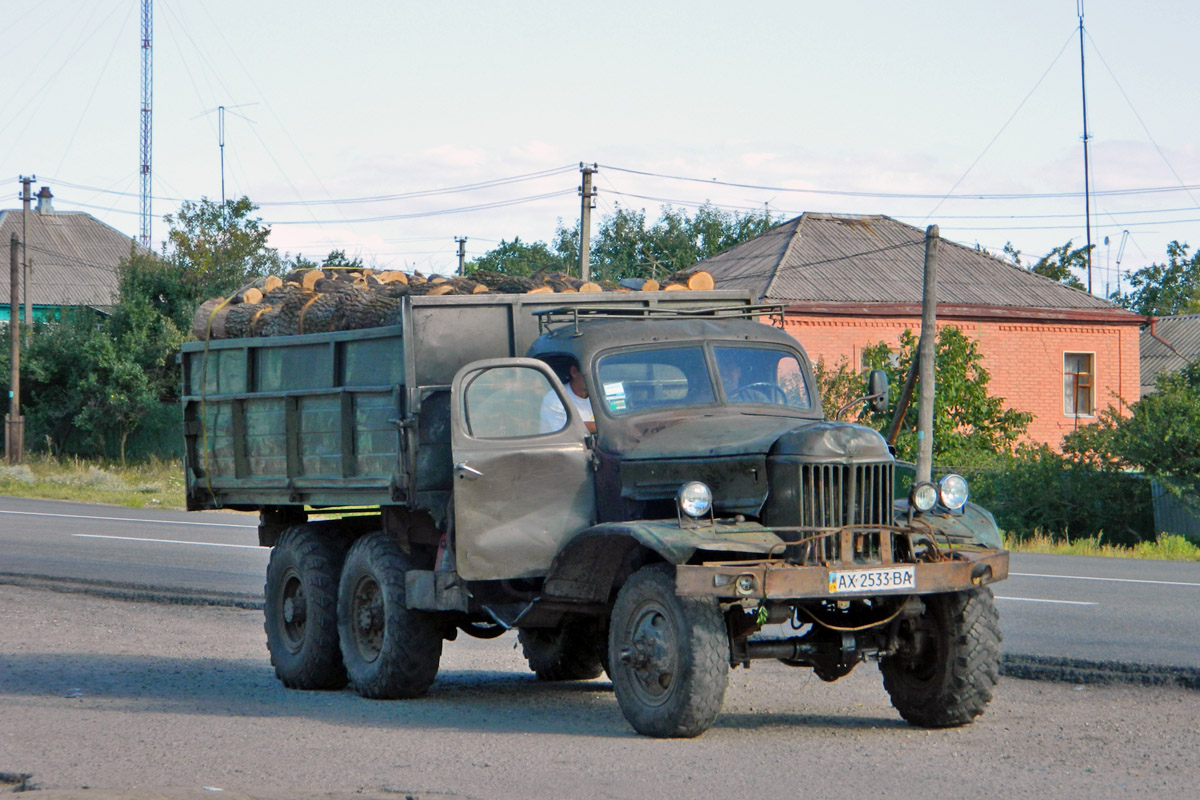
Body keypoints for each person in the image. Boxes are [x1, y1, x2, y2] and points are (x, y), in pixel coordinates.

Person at [540, 363, 596, 433]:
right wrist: (608, 426)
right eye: (591, 372)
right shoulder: (556, 397)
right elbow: (568, 430)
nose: (596, 377)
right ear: (574, 372)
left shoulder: (600, 395)